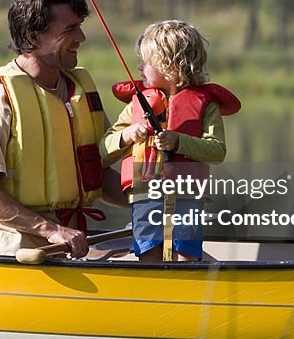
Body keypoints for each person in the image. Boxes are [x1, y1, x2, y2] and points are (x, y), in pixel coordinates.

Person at [0, 0, 122, 256]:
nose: (81, 38)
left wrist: (153, 202)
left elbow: (99, 174)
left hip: (75, 244)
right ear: (34, 36)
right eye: (70, 29)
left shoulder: (79, 88)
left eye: (80, 27)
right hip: (19, 251)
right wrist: (51, 230)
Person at [100, 20, 241, 261]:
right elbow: (103, 152)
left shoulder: (205, 105)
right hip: (145, 192)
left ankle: (187, 289)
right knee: (148, 252)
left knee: (186, 251)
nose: (139, 66)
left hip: (188, 193)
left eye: (146, 62)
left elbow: (217, 151)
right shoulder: (137, 103)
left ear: (171, 67)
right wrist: (128, 134)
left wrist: (178, 142)